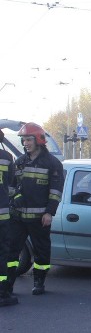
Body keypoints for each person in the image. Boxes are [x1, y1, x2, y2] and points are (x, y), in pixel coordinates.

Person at [5, 123, 64, 298]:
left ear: (38, 140)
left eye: (28, 139)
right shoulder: (20, 162)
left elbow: (55, 191)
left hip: (40, 217)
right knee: (11, 251)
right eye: (23, 140)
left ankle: (39, 281)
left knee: (42, 251)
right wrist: (15, 198)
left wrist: (49, 213)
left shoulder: (52, 164)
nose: (25, 143)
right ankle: (7, 284)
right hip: (18, 216)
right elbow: (11, 187)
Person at [0, 130, 16, 306]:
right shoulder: (6, 157)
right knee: (2, 253)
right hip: (2, 215)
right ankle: (2, 292)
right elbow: (11, 184)